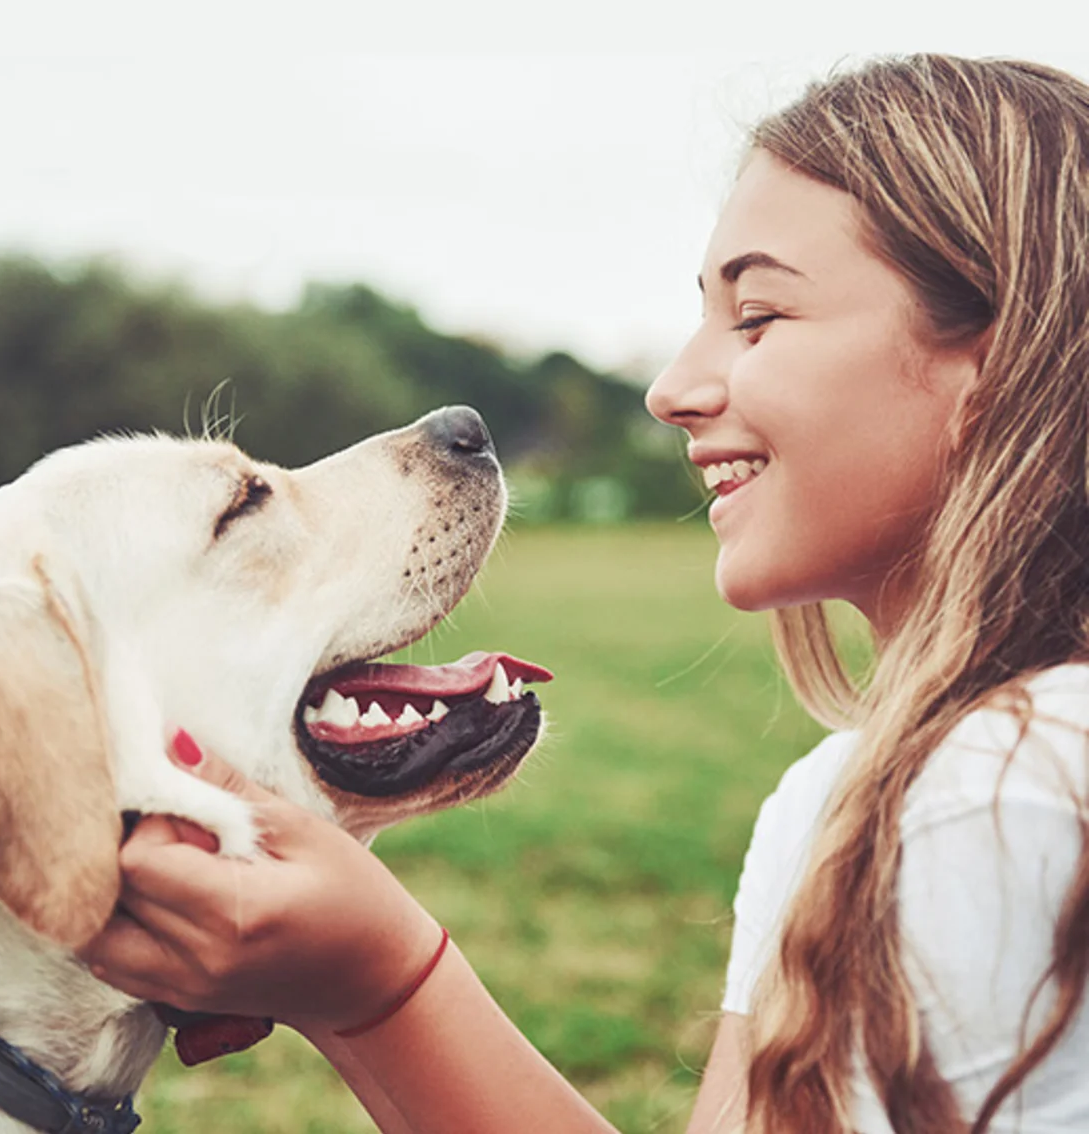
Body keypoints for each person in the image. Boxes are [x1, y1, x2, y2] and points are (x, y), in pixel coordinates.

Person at [84, 54, 1089, 1134]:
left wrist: (384, 985)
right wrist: (345, 987)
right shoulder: (847, 793)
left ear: (1001, 359)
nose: (672, 389)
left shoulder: (1009, 790)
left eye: (757, 316)